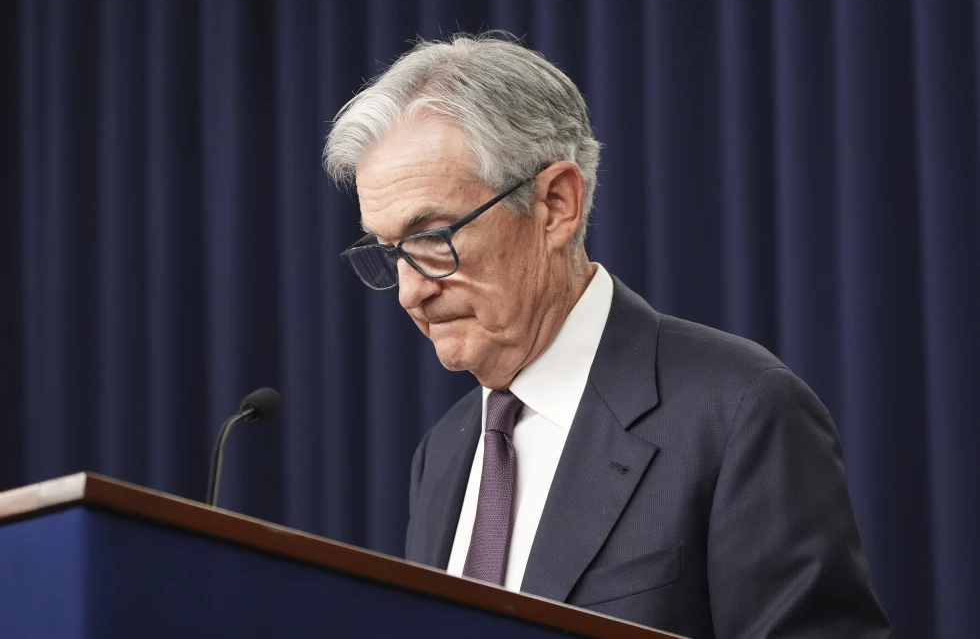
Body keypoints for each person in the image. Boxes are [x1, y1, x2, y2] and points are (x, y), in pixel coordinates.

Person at [323, 34, 891, 639]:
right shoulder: (440, 455)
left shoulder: (742, 413)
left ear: (556, 205)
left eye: (433, 238)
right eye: (391, 252)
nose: (410, 292)